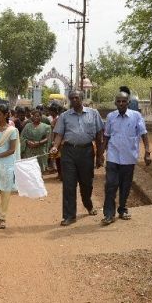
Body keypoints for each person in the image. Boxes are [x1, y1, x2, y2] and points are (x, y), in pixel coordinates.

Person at [50, 91, 104, 226]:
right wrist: (55, 147)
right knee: (69, 185)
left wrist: (100, 155)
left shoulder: (93, 113)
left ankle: (88, 204)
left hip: (87, 152)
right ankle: (69, 215)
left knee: (87, 184)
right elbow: (59, 135)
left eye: (76, 98)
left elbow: (99, 135)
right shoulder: (64, 116)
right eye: (72, 98)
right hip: (68, 152)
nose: (74, 100)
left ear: (82, 98)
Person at [101, 92, 152, 225]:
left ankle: (122, 209)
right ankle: (108, 214)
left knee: (125, 185)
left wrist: (147, 151)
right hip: (113, 156)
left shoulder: (136, 116)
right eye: (118, 101)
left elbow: (143, 134)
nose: (121, 103)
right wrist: (100, 153)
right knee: (110, 185)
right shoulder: (111, 117)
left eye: (124, 101)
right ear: (115, 103)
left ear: (128, 103)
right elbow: (106, 136)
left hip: (129, 157)